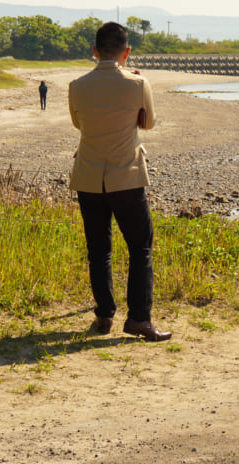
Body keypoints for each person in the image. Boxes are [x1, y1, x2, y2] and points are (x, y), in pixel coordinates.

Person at [68, 21, 171, 341]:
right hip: (126, 175)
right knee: (140, 247)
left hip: (88, 176)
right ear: (127, 52)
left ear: (95, 52)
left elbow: (77, 123)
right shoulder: (138, 84)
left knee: (98, 249)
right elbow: (149, 123)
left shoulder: (76, 85)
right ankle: (139, 319)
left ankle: (104, 314)